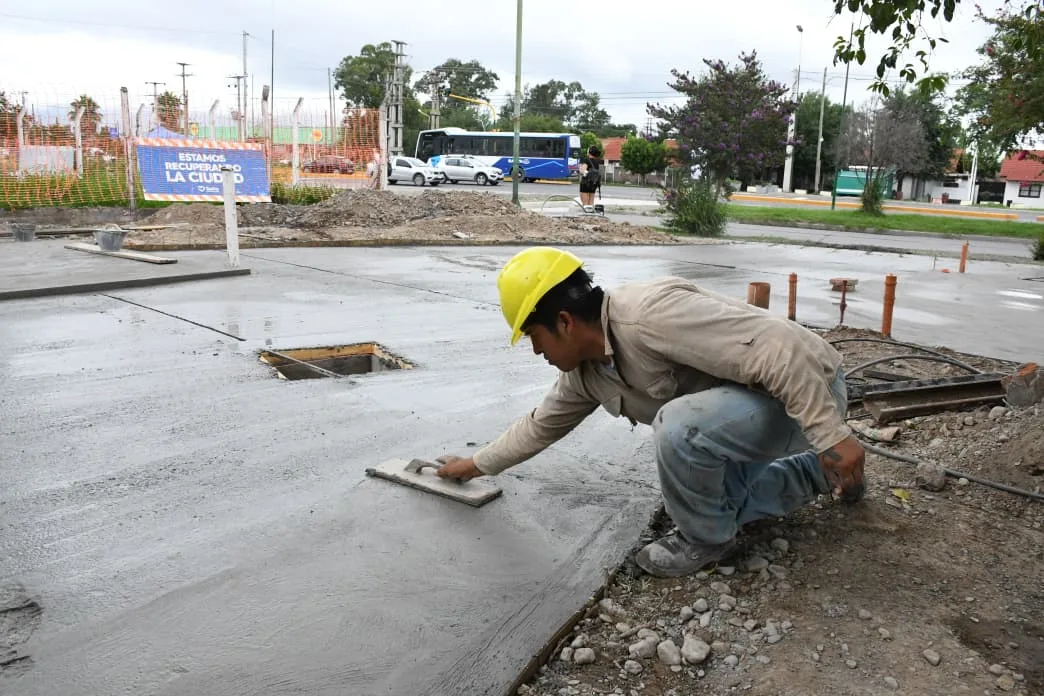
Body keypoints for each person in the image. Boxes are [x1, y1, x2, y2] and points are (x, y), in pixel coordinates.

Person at [436, 247, 866, 578]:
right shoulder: (586, 374)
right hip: (755, 414)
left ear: (565, 321)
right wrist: (473, 466)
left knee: (678, 428)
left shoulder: (648, 316)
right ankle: (819, 474)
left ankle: (707, 542)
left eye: (534, 335)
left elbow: (780, 348)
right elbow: (538, 427)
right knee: (714, 500)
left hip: (811, 390)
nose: (535, 350)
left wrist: (831, 434)